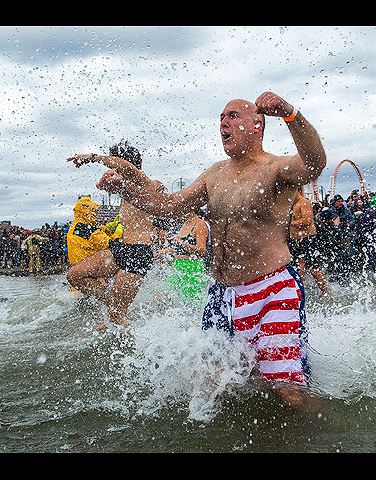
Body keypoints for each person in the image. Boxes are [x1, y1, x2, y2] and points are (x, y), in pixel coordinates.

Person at [94, 92, 326, 414]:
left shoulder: (275, 168)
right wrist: (126, 190)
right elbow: (168, 207)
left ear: (257, 125)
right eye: (220, 118)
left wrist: (290, 113)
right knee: (206, 389)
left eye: (232, 116)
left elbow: (315, 163)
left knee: (288, 394)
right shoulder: (214, 174)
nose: (223, 123)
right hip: (221, 296)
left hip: (272, 292)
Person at [66, 142, 166, 327]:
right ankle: (116, 304)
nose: (112, 170)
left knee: (116, 316)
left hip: (138, 253)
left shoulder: (145, 183)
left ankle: (133, 343)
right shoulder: (125, 188)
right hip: (120, 248)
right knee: (75, 276)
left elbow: (128, 167)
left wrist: (92, 157)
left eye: (114, 166)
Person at [164, 209, 209, 305]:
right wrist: (164, 251)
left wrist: (181, 242)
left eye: (180, 210)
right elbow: (180, 250)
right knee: (163, 298)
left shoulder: (200, 224)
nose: (177, 214)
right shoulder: (184, 224)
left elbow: (202, 251)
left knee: (187, 304)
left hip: (191, 268)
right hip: (177, 266)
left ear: (190, 209)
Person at [288, 187, 328, 294]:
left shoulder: (304, 202)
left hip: (308, 239)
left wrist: (291, 223)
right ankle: (300, 292)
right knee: (298, 268)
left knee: (313, 270)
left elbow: (307, 220)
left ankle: (326, 292)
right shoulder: (291, 205)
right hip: (296, 240)